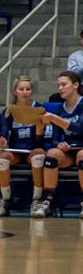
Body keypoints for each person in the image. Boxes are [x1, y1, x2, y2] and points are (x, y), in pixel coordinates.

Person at [36, 71, 83, 218]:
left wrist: (54, 118)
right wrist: (59, 144)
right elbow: (54, 139)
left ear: (76, 85)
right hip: (69, 151)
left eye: (64, 84)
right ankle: (48, 200)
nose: (60, 88)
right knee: (52, 153)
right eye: (58, 85)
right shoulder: (60, 108)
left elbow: (79, 128)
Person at [0, 76, 46, 216]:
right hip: (15, 149)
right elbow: (4, 132)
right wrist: (2, 140)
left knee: (38, 156)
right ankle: (5, 199)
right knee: (2, 159)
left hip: (33, 147)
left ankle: (36, 199)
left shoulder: (38, 109)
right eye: (21, 89)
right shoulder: (8, 111)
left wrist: (39, 131)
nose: (25, 92)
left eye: (28, 89)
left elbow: (40, 139)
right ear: (15, 91)